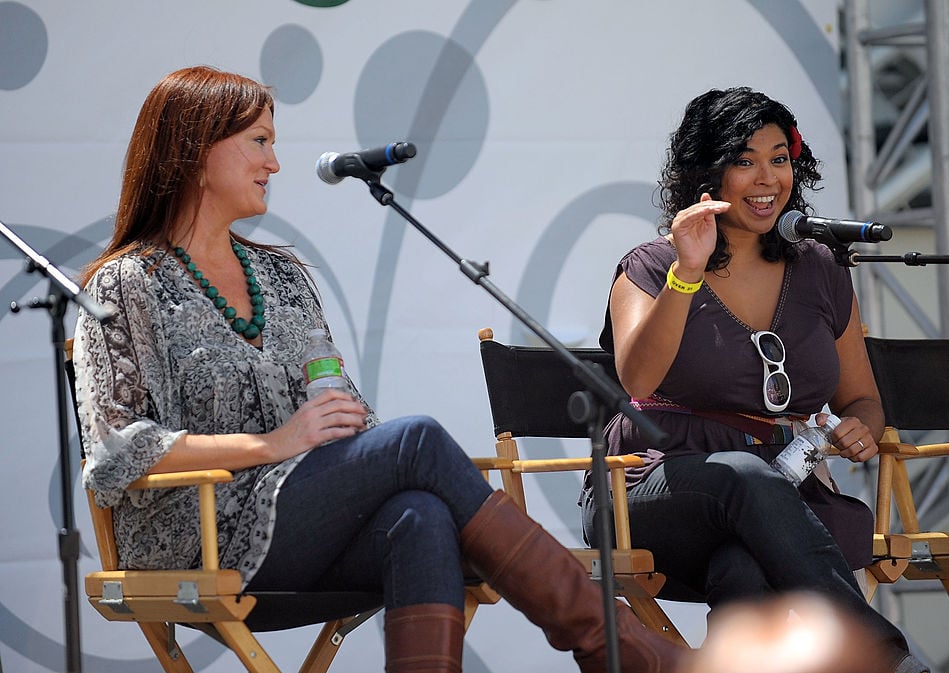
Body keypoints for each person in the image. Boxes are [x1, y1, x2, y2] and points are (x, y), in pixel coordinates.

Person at [73, 65, 692, 673]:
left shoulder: (283, 277)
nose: (274, 163)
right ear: (194, 151)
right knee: (416, 439)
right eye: (258, 141)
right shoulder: (126, 285)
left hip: (302, 520)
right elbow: (116, 452)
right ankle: (609, 641)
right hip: (196, 535)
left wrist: (341, 426)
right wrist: (274, 443)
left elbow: (338, 400)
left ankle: (611, 643)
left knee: (419, 515)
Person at [580, 87, 929, 673]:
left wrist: (862, 429)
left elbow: (863, 398)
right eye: (744, 160)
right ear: (707, 173)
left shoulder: (819, 267)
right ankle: (887, 659)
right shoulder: (651, 265)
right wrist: (687, 271)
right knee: (743, 478)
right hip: (651, 490)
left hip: (785, 498)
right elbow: (637, 378)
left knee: (743, 568)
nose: (767, 178)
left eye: (779, 158)